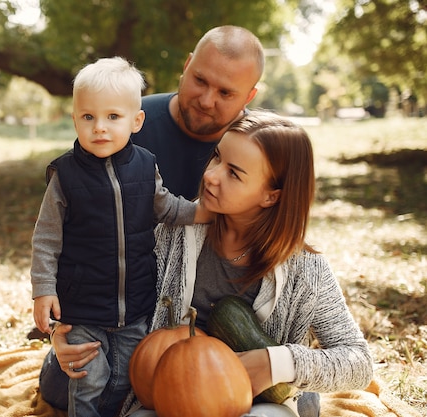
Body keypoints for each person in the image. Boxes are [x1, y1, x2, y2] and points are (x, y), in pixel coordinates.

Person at [41, 111, 374, 417]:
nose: (212, 176)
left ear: (271, 195)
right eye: (217, 156)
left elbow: (359, 362)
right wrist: (61, 332)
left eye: (234, 173)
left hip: (252, 402)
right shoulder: (170, 232)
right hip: (167, 392)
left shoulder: (305, 267)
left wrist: (277, 362)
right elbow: (97, 277)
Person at [30, 56, 211, 417]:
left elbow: (167, 208)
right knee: (89, 378)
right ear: (75, 119)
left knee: (128, 378)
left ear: (136, 121)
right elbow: (46, 239)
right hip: (83, 307)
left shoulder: (145, 165)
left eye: (113, 117)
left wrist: (205, 212)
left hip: (136, 304)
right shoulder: (65, 175)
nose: (100, 127)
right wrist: (43, 289)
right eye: (88, 117)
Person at [131, 25, 265, 200]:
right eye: (200, 80)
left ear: (249, 97)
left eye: (225, 93)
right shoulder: (129, 122)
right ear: (187, 66)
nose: (206, 102)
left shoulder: (261, 151)